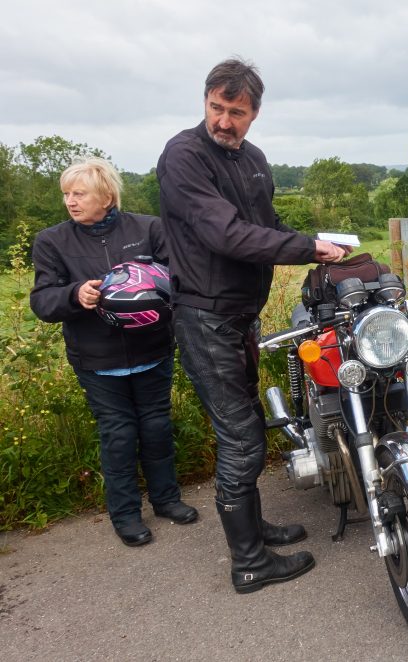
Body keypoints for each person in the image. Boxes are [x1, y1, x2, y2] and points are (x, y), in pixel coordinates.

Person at [156, 58, 350, 593]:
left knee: (245, 428)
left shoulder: (254, 159)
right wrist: (306, 247)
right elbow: (226, 235)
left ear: (254, 113)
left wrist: (320, 244)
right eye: (216, 107)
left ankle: (254, 530)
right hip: (205, 316)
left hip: (239, 316)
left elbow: (265, 225)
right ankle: (249, 563)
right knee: (241, 437)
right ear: (205, 102)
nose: (223, 120)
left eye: (236, 112)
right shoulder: (184, 155)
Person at [30, 157, 197, 547]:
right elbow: (42, 301)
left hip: (152, 350)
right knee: (119, 435)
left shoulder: (149, 228)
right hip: (97, 360)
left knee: (156, 427)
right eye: (66, 194)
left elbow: (179, 278)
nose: (70, 201)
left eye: (79, 193)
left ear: (106, 197)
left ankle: (166, 500)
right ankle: (125, 515)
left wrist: (156, 288)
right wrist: (75, 294)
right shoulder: (52, 241)